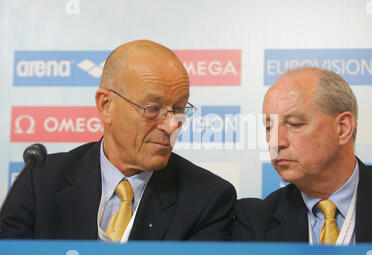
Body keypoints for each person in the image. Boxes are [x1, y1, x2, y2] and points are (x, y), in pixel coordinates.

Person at [0, 40, 236, 242]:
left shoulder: (207, 198)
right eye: (152, 108)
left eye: (180, 109)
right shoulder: (40, 180)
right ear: (106, 105)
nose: (172, 125)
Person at [231, 68, 372, 244]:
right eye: (269, 127)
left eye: (295, 124)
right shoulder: (254, 220)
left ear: (343, 128)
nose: (276, 141)